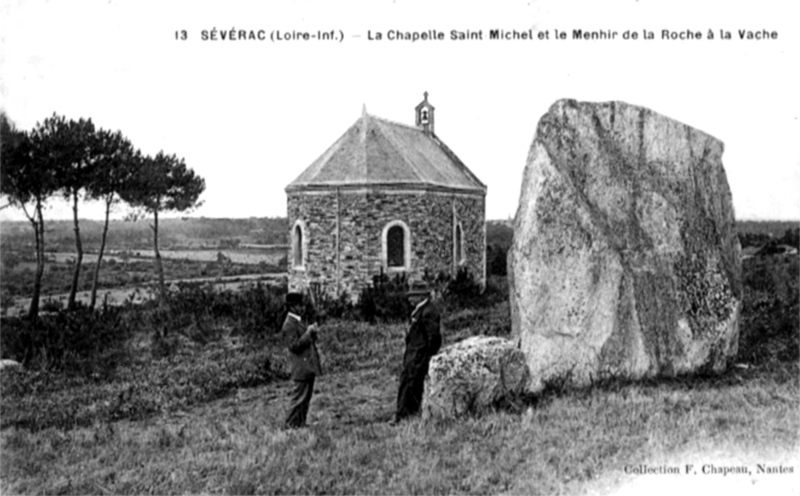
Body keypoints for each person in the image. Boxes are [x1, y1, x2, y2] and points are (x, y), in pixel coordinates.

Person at [394, 287, 442, 423]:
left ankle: (406, 415)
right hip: (413, 355)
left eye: (413, 295)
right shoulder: (420, 310)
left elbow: (433, 338)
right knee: (407, 384)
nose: (409, 298)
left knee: (412, 385)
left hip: (419, 356)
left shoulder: (429, 312)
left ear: (421, 296)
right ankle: (403, 415)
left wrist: (427, 357)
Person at [282, 292, 321, 429]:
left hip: (307, 366)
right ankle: (289, 425)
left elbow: (306, 340)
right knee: (298, 398)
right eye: (299, 305)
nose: (302, 307)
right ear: (292, 307)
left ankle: (300, 423)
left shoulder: (298, 321)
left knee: (306, 398)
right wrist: (307, 333)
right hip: (300, 367)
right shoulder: (289, 324)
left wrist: (312, 333)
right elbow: (294, 346)